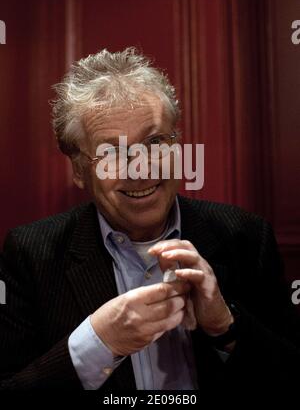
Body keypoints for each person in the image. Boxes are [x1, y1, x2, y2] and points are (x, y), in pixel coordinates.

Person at [0, 47, 299, 392]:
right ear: (80, 170)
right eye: (111, 152)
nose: (140, 168)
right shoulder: (30, 255)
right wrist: (99, 342)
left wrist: (225, 326)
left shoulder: (246, 236)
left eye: (155, 142)